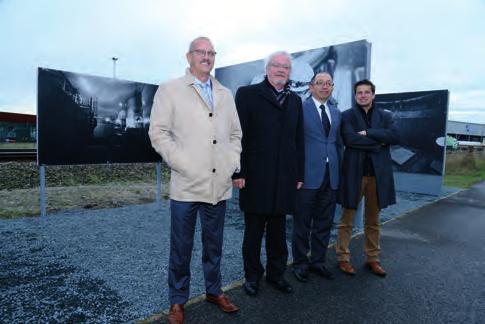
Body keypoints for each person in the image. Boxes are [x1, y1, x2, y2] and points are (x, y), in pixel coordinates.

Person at [149, 36, 242, 324]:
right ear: (188, 57)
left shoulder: (225, 93)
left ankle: (214, 291)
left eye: (211, 52)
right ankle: (178, 301)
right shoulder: (170, 89)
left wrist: (230, 164)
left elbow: (235, 135)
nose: (206, 56)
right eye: (200, 52)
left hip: (218, 186)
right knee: (181, 247)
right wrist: (184, 164)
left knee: (214, 245)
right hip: (186, 186)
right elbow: (158, 133)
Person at [232, 51, 304, 296]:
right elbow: (237, 136)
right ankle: (252, 277)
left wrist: (299, 174)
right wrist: (237, 171)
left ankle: (277, 275)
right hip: (255, 178)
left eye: (286, 67)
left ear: (289, 72)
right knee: (253, 234)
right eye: (276, 65)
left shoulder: (294, 101)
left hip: (284, 178)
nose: (281, 70)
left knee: (278, 233)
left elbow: (298, 140)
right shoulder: (247, 94)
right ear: (267, 69)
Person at [336, 79, 399, 277]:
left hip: (377, 177)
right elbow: (349, 139)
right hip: (354, 174)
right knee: (347, 220)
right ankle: (343, 258)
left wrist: (369, 133)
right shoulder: (347, 116)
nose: (362, 95)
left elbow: (394, 136)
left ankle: (373, 259)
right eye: (359, 93)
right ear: (355, 96)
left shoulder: (385, 116)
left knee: (373, 221)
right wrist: (378, 142)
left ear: (373, 95)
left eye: (366, 92)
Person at [291, 72, 342, 282]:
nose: (324, 87)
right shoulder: (300, 110)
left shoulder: (336, 112)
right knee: (302, 222)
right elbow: (293, 143)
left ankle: (318, 261)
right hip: (307, 176)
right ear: (311, 87)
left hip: (331, 176)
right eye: (319, 83)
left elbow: (338, 143)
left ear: (332, 87)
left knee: (324, 221)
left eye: (328, 83)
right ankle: (301, 263)